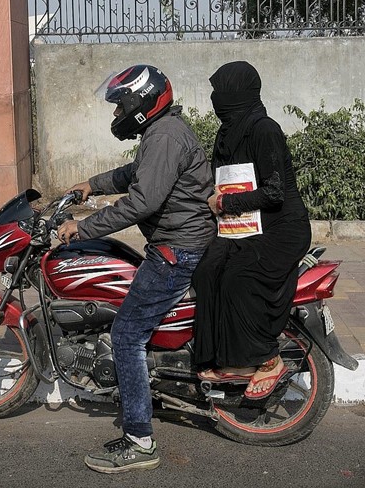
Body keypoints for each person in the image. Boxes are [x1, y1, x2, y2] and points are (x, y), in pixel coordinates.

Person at [55, 64, 215, 474]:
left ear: (141, 103)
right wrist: (93, 184)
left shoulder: (163, 136)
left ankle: (140, 440)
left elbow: (141, 201)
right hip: (176, 244)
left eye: (120, 105)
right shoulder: (161, 133)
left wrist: (83, 226)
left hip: (177, 250)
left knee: (126, 335)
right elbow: (134, 174)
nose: (116, 115)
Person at [191, 60, 312, 400]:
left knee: (238, 277)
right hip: (242, 226)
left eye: (221, 92)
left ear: (237, 95)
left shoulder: (264, 130)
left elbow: (274, 193)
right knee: (207, 270)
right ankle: (217, 357)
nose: (216, 99)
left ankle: (265, 358)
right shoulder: (227, 134)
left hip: (282, 228)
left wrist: (226, 204)